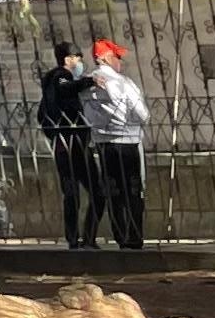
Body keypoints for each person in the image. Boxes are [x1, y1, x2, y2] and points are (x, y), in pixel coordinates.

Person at [84, 38, 150, 250]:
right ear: (104, 57)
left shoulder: (86, 85)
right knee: (133, 191)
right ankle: (135, 237)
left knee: (113, 192)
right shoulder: (123, 83)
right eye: (117, 57)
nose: (120, 62)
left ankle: (121, 237)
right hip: (128, 143)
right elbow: (142, 114)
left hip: (103, 144)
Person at [38, 42, 98, 250]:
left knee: (73, 191)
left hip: (63, 143)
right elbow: (65, 88)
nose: (80, 62)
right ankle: (83, 238)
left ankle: (77, 238)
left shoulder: (48, 84)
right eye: (78, 58)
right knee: (95, 191)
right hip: (73, 143)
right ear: (68, 60)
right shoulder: (59, 76)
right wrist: (90, 81)